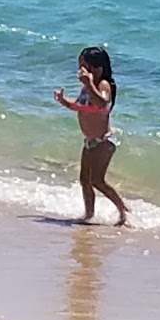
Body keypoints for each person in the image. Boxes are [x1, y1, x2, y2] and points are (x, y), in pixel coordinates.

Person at [54, 46, 128, 226]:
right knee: (84, 180)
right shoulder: (87, 89)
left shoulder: (103, 85)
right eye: (80, 67)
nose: (80, 72)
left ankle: (123, 211)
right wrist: (65, 102)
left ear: (98, 69)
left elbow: (102, 103)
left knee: (97, 180)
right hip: (90, 141)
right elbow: (81, 107)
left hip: (103, 141)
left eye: (84, 67)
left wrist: (89, 84)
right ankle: (89, 214)